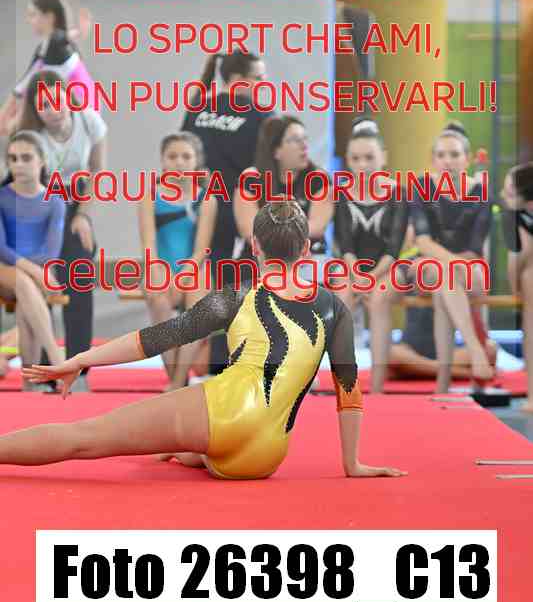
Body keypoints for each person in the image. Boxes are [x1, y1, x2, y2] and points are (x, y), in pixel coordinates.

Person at [17, 201, 406, 480]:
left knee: (84, 437)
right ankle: (187, 447)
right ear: (306, 249)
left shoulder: (236, 296)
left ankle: (183, 442)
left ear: (254, 246)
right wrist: (352, 464)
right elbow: (348, 391)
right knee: (201, 441)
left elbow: (156, 338)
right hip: (264, 457)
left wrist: (81, 359)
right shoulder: (335, 307)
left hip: (226, 412)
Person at [17, 69, 108, 391]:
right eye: (43, 105)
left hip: (76, 200)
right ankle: (45, 366)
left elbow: (97, 171)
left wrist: (83, 215)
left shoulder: (89, 121)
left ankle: (79, 367)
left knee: (80, 278)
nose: (51, 110)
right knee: (44, 282)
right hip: (40, 204)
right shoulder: (30, 133)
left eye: (56, 101)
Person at [182, 51, 271, 372]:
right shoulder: (260, 117)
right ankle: (225, 361)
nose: (263, 84)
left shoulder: (197, 110)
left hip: (198, 211)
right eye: (258, 78)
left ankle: (209, 362)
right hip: (236, 212)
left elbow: (185, 159)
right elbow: (267, 168)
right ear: (237, 80)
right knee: (236, 288)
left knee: (213, 284)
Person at [410, 128, 494, 392]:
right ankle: (475, 350)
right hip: (431, 267)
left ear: (467, 159)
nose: (448, 161)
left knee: (444, 289)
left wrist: (456, 266)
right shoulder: (422, 188)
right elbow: (423, 242)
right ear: (433, 160)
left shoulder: (480, 192)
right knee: (443, 275)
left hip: (469, 270)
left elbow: (475, 248)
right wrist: (454, 264)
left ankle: (442, 385)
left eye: (455, 154)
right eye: (441, 155)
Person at [333, 120, 409, 393]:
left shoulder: (398, 193)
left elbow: (393, 248)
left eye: (369, 157)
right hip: (353, 266)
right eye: (355, 159)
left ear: (383, 157)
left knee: (378, 299)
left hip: (389, 268)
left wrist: (371, 278)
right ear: (347, 160)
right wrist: (357, 276)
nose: (362, 165)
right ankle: (344, 384)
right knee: (342, 297)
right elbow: (345, 244)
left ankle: (377, 388)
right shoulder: (342, 195)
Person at [137, 132, 216, 388]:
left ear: (196, 161)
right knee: (158, 299)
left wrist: (182, 276)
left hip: (194, 267)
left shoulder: (206, 199)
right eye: (172, 156)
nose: (179, 162)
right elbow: (148, 244)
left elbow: (201, 249)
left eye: (186, 156)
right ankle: (175, 379)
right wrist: (157, 271)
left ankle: (178, 380)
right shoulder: (150, 196)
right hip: (159, 264)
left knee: (198, 310)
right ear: (162, 161)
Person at [0, 132, 65, 389]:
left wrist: (38, 272)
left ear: (42, 161)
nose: (18, 165)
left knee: (26, 308)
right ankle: (56, 357)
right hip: (5, 269)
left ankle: (29, 382)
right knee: (24, 282)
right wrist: (35, 272)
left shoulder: (54, 202)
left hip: (36, 273)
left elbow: (51, 252)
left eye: (26, 158)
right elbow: (2, 248)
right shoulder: (2, 198)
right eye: (13, 159)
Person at [234, 114, 333, 276]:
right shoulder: (251, 179)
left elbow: (317, 226)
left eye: (305, 139)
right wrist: (280, 250)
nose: (304, 145)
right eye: (295, 140)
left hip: (306, 254)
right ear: (276, 151)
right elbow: (248, 229)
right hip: (261, 255)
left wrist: (291, 249)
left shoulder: (318, 178)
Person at [0, 0, 94, 136]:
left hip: (80, 110)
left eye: (33, 15)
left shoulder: (56, 43)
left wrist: (78, 32)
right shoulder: (46, 47)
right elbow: (26, 81)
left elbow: (62, 37)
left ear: (49, 17)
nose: (29, 20)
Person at [388, 304, 497, 381]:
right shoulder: (408, 281)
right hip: (410, 352)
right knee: (391, 354)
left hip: (450, 355)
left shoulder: (455, 284)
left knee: (490, 348)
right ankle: (463, 373)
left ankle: (416, 370)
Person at [500, 162, 533, 412]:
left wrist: (516, 291)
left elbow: (518, 255)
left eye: (508, 190)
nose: (503, 195)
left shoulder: (514, 216)